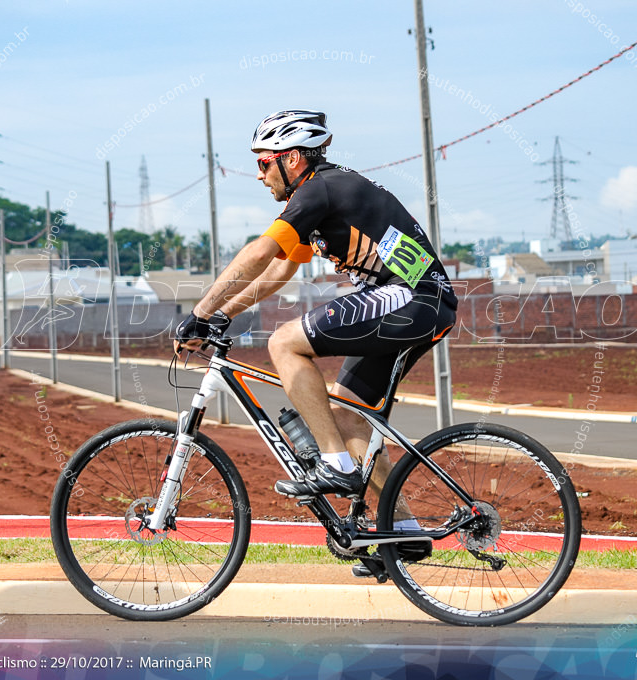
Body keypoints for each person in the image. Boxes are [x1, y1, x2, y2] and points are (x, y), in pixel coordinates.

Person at [174, 109, 457, 500]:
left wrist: (199, 313)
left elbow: (259, 253)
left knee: (283, 342)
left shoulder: (318, 189)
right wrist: (222, 314)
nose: (259, 174)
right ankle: (403, 535)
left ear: (292, 158)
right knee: (344, 415)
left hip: (412, 297)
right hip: (417, 302)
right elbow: (278, 271)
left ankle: (336, 466)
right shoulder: (323, 194)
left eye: (263, 162)